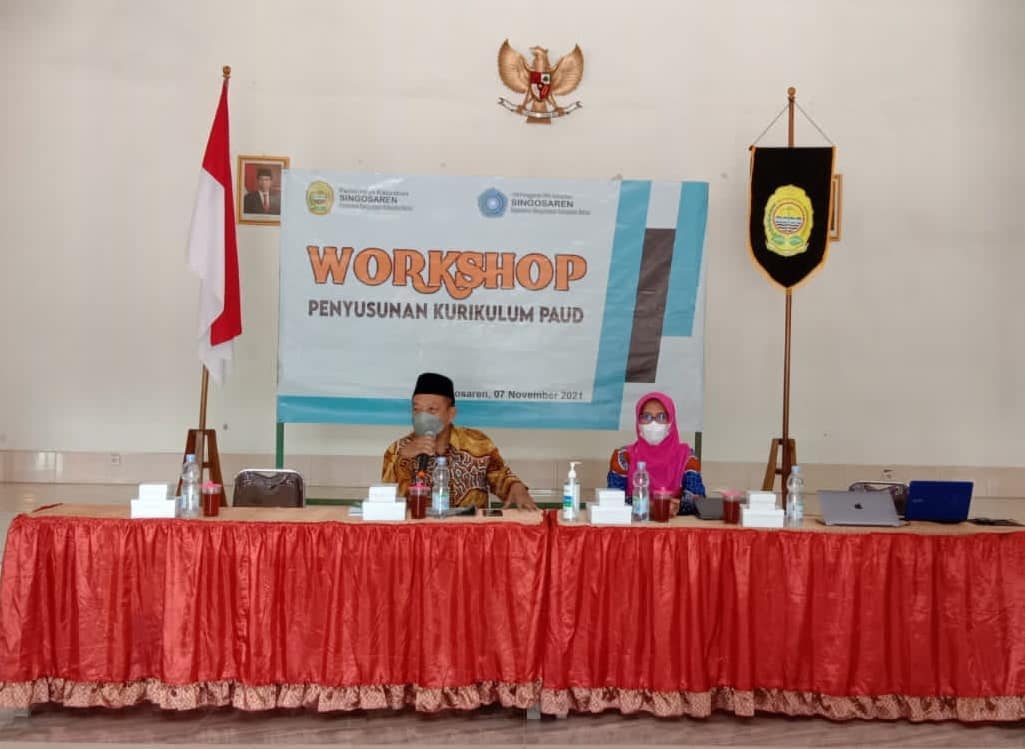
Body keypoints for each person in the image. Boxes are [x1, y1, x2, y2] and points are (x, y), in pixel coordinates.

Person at [382, 372, 538, 510]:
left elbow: (501, 477)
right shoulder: (397, 449)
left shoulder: (478, 443)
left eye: (432, 409)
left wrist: (515, 486)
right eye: (416, 409)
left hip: (471, 531)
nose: (422, 417)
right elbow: (387, 501)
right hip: (420, 532)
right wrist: (403, 458)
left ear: (451, 414)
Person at [607, 391, 706, 514]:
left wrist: (669, 507)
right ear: (638, 421)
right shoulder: (623, 457)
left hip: (676, 525)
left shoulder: (687, 457)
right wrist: (653, 507)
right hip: (635, 524)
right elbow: (613, 499)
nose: (653, 423)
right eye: (646, 417)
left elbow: (697, 499)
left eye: (661, 417)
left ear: (671, 421)